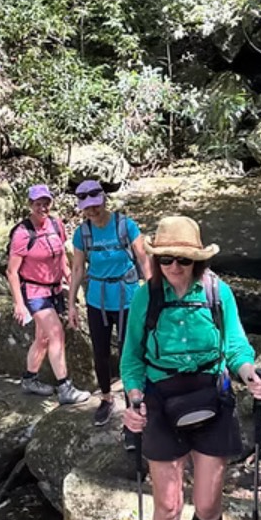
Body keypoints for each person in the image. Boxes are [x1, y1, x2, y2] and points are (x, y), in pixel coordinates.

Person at [121, 216, 261, 520]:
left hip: (211, 399)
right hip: (161, 403)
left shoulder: (216, 292)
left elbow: (235, 345)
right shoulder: (145, 296)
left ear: (197, 261)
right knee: (168, 506)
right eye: (166, 259)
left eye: (183, 260)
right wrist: (133, 400)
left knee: (206, 504)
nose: (174, 267)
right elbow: (131, 358)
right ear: (156, 260)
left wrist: (251, 375)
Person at [68, 179, 151, 431]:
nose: (92, 211)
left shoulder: (125, 225)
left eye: (95, 205)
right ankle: (106, 398)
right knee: (100, 353)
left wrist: (152, 293)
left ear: (104, 200)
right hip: (97, 300)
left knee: (129, 353)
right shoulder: (82, 233)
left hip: (128, 299)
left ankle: (132, 403)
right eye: (87, 208)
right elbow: (78, 269)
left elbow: (143, 259)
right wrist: (71, 304)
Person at [7, 183, 90, 405]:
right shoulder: (22, 233)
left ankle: (29, 380)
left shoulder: (56, 224)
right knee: (56, 334)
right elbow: (12, 272)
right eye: (38, 204)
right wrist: (18, 303)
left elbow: (60, 256)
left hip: (54, 290)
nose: (42, 208)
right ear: (30, 204)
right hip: (34, 291)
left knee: (43, 338)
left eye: (46, 203)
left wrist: (70, 279)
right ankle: (65, 388)